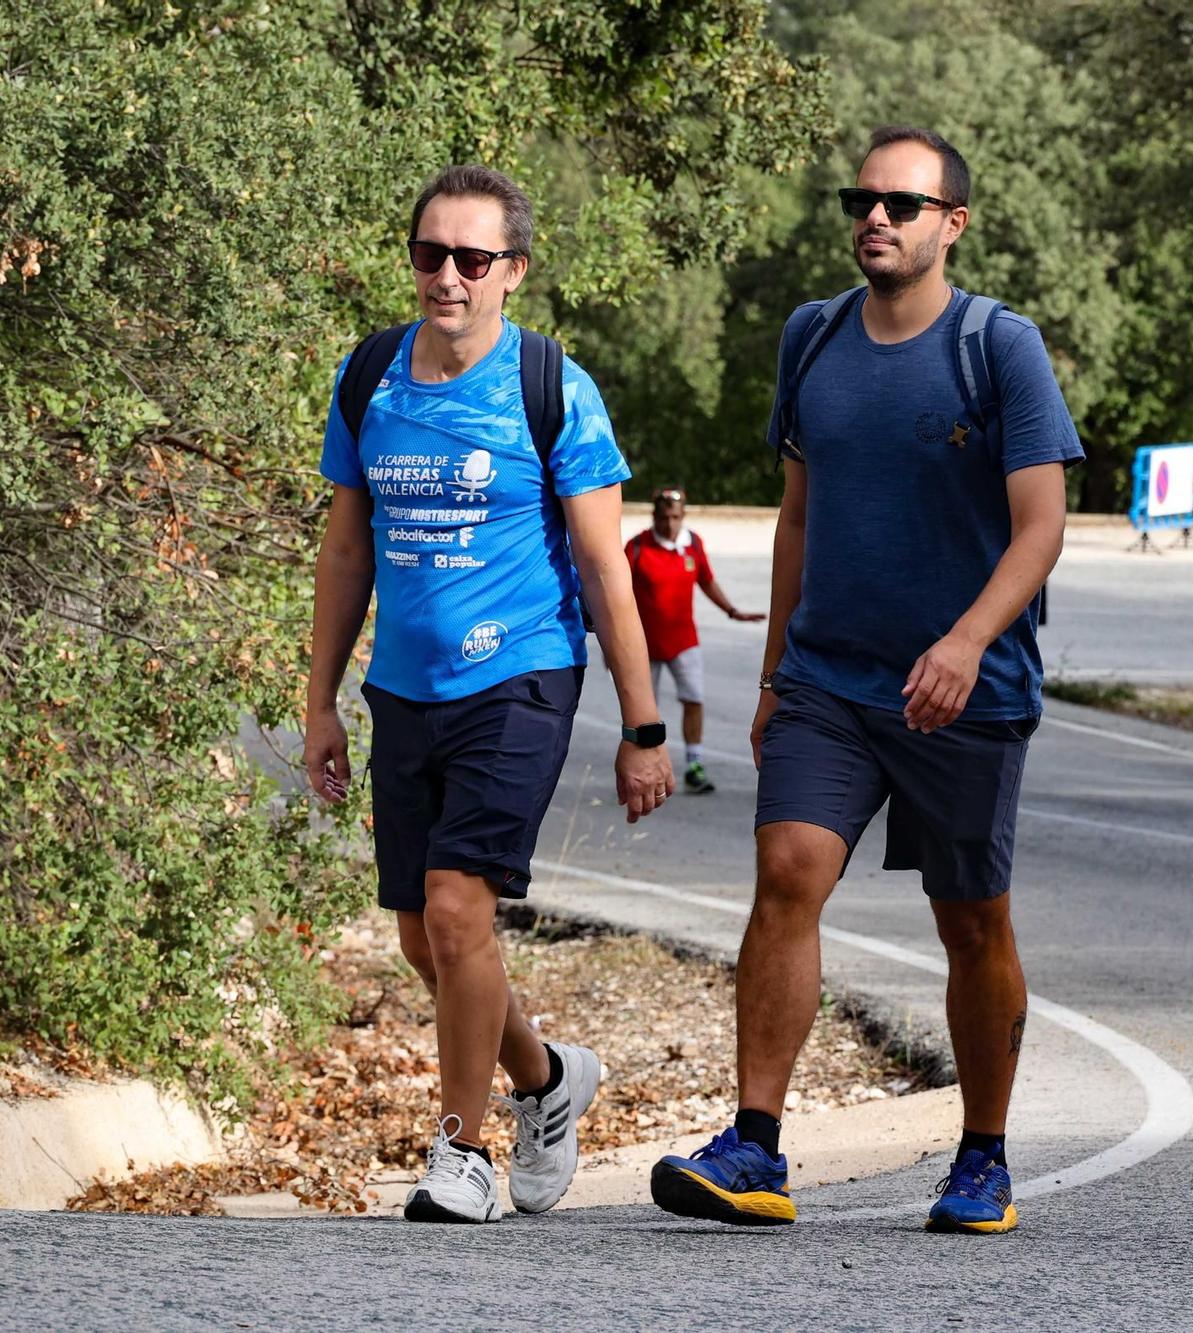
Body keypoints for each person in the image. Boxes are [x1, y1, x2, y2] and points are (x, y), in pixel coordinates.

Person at [649, 126, 1082, 1233]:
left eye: (901, 202)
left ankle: (981, 1156)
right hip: (827, 683)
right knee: (786, 869)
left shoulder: (999, 348)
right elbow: (797, 515)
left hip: (963, 692)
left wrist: (965, 640)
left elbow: (1039, 528)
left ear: (952, 223)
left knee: (969, 919)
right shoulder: (811, 338)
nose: (875, 216)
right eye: (862, 198)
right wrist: (769, 669)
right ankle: (753, 1143)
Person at [304, 165, 674, 1225]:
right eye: (431, 255)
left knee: (462, 907)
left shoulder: (551, 386)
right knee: (427, 937)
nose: (448, 278)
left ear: (514, 270)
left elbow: (608, 571)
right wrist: (321, 698)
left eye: (473, 259)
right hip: (404, 686)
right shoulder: (369, 375)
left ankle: (459, 1151)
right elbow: (345, 548)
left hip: (519, 675)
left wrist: (643, 728)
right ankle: (548, 1078)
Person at [625, 486, 766, 794]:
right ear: (654, 516)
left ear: (683, 516)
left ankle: (694, 764)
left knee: (694, 700)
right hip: (643, 645)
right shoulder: (636, 548)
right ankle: (644, 768)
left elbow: (706, 580)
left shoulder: (693, 545)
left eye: (675, 517)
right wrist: (616, 647)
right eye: (664, 518)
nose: (670, 524)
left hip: (683, 641)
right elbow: (617, 596)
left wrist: (732, 611)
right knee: (643, 709)